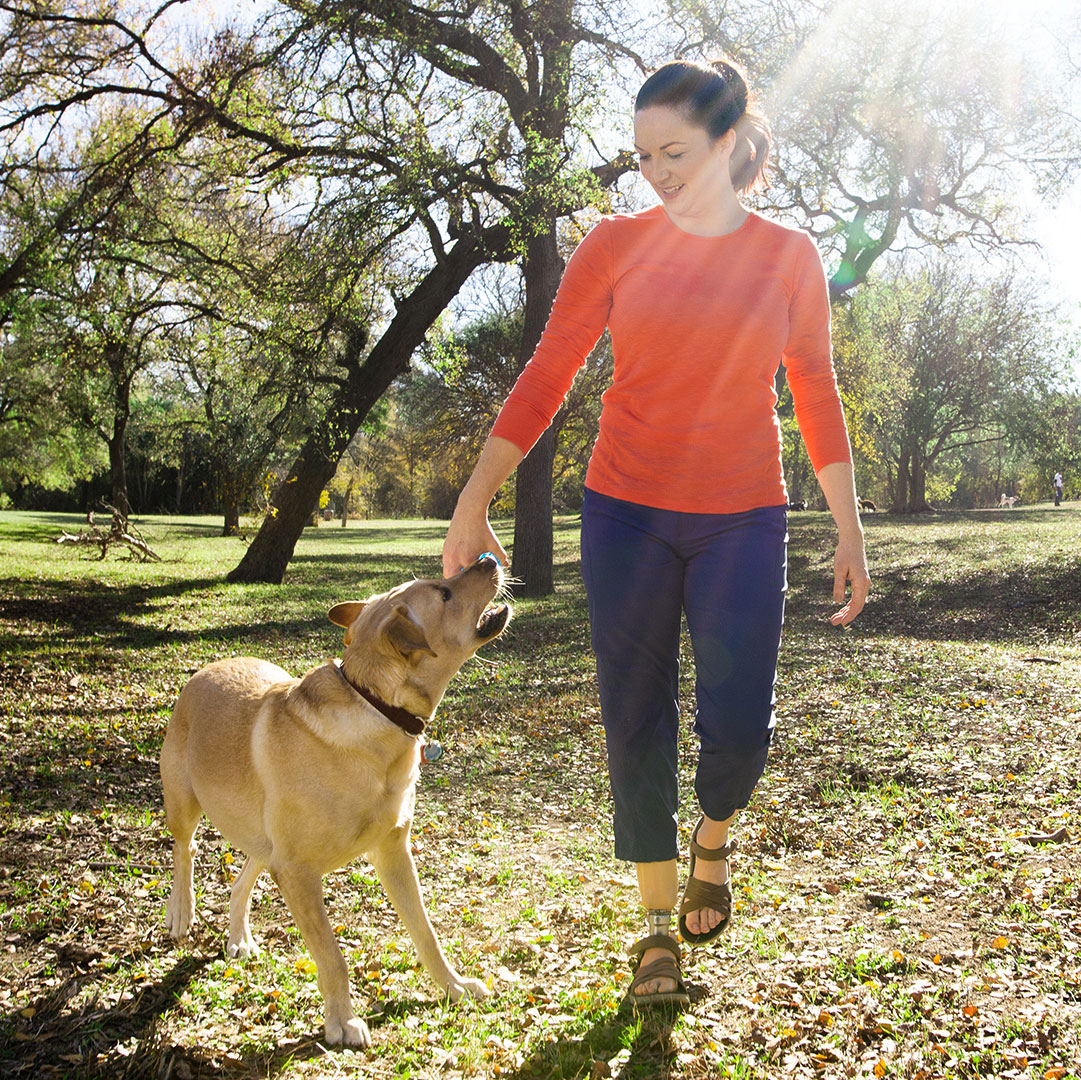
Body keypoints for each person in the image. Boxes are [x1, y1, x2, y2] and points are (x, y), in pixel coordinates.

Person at [442, 57, 870, 1007]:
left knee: (738, 727)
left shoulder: (788, 255)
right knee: (634, 716)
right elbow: (550, 371)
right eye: (641, 157)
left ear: (726, 140)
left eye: (672, 150)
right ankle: (651, 930)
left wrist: (848, 527)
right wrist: (475, 495)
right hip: (625, 511)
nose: (656, 171)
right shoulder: (613, 245)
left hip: (744, 516)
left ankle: (713, 837)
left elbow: (813, 392)